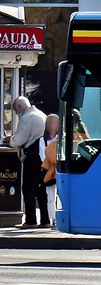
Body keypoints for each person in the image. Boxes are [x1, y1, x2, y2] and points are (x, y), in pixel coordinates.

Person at [3, 97, 48, 228]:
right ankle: (45, 220)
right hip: (42, 156)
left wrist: (9, 140)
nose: (17, 114)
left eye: (16, 111)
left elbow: (19, 140)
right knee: (40, 189)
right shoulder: (41, 114)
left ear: (20, 107)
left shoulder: (28, 117)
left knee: (28, 188)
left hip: (32, 157)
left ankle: (30, 220)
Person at [40, 114, 59, 226]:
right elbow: (43, 156)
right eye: (51, 122)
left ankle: (59, 218)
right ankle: (53, 220)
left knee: (60, 196)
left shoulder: (62, 138)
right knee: (50, 196)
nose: (53, 125)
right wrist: (52, 163)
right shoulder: (42, 140)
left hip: (60, 170)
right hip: (49, 172)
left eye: (55, 122)